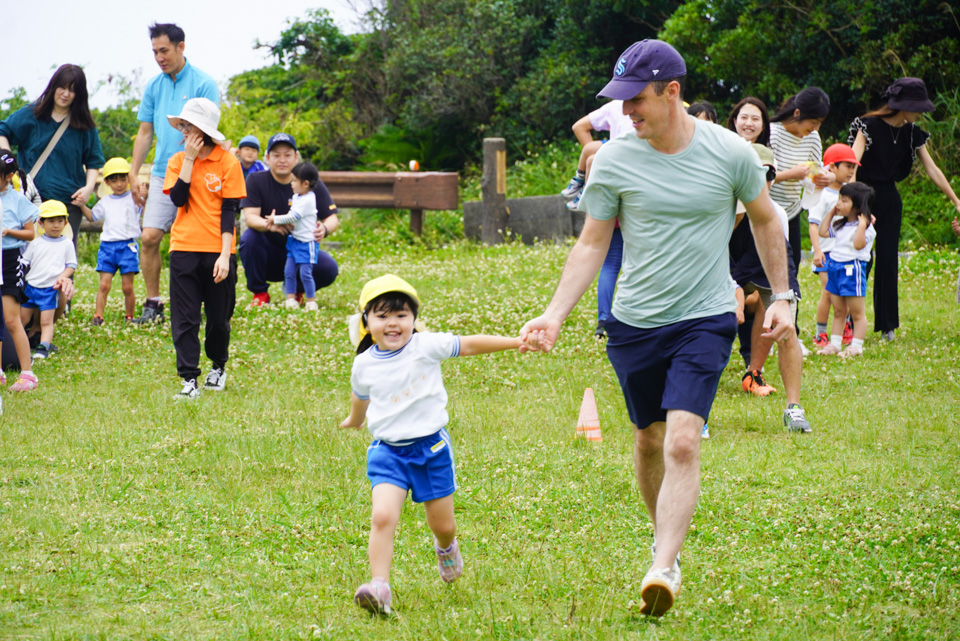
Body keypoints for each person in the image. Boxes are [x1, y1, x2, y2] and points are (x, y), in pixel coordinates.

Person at [519, 40, 795, 618]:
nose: (626, 113)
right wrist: (554, 313)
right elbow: (593, 242)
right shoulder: (615, 159)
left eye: (635, 99)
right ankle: (661, 536)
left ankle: (664, 566)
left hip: (705, 316)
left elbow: (768, 220)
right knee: (648, 440)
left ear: (673, 92)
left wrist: (784, 297)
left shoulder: (731, 153)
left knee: (682, 440)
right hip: (635, 322)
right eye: (619, 101)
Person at [341, 275, 522, 616]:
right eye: (382, 315)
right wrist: (354, 419)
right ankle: (379, 586)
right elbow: (360, 396)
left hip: (431, 450)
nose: (392, 323)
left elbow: (469, 344)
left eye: (401, 315)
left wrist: (515, 342)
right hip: (388, 452)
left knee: (442, 524)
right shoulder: (363, 363)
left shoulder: (425, 346)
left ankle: (446, 547)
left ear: (413, 319)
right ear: (367, 321)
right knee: (382, 516)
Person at [848, 77, 960, 341]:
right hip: (863, 196)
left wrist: (956, 200)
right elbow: (852, 165)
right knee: (860, 259)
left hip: (889, 199)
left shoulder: (913, 134)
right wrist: (854, 204)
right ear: (902, 105)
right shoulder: (868, 125)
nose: (921, 112)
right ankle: (850, 322)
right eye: (917, 106)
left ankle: (888, 326)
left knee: (888, 260)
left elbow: (933, 169)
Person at [129, 23, 219, 325]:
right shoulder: (154, 86)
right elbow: (144, 133)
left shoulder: (204, 83)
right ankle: (153, 303)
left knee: (201, 242)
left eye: (164, 50)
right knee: (150, 236)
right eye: (154, 51)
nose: (159, 57)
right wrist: (132, 173)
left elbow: (209, 132)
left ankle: (207, 301)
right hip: (161, 172)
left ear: (181, 47)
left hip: (198, 170)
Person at [162, 98, 245, 399]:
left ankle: (218, 366)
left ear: (203, 129)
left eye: (187, 125)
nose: (183, 130)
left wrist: (225, 254)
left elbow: (229, 212)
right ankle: (189, 380)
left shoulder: (228, 162)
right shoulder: (176, 160)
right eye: (182, 125)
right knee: (185, 318)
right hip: (183, 247)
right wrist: (189, 159)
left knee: (219, 318)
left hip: (218, 249)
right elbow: (178, 200)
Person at [729, 144, 811, 434]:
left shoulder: (773, 212)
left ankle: (792, 407)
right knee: (708, 323)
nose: (759, 181)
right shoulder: (720, 207)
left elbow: (779, 261)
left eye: (767, 174)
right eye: (751, 174)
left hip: (769, 270)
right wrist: (736, 300)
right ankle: (696, 408)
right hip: (730, 271)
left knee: (785, 326)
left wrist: (783, 302)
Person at [0, 64, 104, 254]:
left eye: (72, 90)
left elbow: (94, 161)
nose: (65, 94)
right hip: (30, 202)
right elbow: (3, 131)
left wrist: (88, 188)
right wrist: (9, 163)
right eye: (62, 87)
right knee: (28, 262)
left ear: (79, 94)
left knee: (62, 262)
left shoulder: (84, 124)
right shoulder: (32, 114)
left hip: (67, 204)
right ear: (53, 87)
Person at [240, 133, 338, 306]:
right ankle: (260, 293)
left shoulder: (310, 183)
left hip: (301, 250)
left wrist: (325, 228)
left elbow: (332, 218)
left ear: (296, 158)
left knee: (329, 268)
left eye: (287, 155)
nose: (282, 160)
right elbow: (250, 217)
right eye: (276, 155)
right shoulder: (256, 180)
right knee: (249, 239)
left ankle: (297, 289)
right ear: (268, 158)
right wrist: (269, 225)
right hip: (268, 252)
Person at [768, 87, 832, 273]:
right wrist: (791, 174)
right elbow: (759, 177)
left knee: (791, 267)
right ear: (797, 113)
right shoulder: (772, 134)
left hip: (792, 212)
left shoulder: (812, 138)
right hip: (766, 210)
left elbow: (814, 174)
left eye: (819, 123)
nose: (815, 128)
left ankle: (791, 303)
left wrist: (823, 179)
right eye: (813, 122)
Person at [807, 144, 860, 348]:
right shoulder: (820, 194)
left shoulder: (849, 194)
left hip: (844, 253)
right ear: (832, 167)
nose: (851, 171)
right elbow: (814, 225)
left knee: (844, 292)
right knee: (829, 292)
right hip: (826, 252)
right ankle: (821, 333)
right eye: (847, 166)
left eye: (853, 167)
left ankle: (846, 326)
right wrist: (817, 251)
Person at [816, 183, 877, 358]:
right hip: (835, 268)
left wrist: (862, 224)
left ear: (857, 206)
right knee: (839, 311)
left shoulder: (866, 228)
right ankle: (835, 344)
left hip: (852, 270)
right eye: (839, 199)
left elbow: (858, 245)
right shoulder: (840, 224)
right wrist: (831, 213)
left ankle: (856, 346)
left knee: (857, 313)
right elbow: (823, 231)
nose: (839, 203)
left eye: (844, 200)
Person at [80, 157, 142, 324]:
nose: (120, 184)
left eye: (123, 179)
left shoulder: (134, 198)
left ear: (129, 179)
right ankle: (98, 316)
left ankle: (130, 316)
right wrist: (81, 205)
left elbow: (143, 203)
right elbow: (92, 216)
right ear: (107, 182)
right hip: (107, 247)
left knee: (127, 286)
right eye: (114, 180)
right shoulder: (105, 202)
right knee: (104, 285)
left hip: (127, 246)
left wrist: (141, 192)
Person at [0, 151, 39, 390]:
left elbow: (31, 233)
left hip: (9, 260)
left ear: (9, 176)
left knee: (11, 319)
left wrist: (8, 232)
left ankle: (27, 373)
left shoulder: (18, 200)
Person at [20, 201, 77, 360]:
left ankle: (42, 347)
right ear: (41, 223)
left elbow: (71, 265)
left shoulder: (66, 244)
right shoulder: (36, 243)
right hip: (31, 287)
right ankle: (18, 343)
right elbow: (25, 261)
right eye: (51, 221)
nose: (56, 225)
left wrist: (63, 276)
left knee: (46, 321)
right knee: (21, 319)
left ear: (65, 223)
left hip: (50, 289)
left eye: (60, 221)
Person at [264, 161, 322, 311]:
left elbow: (293, 216)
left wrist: (274, 219)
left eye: (295, 180)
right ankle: (290, 299)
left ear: (306, 183)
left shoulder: (308, 198)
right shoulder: (297, 196)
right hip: (294, 240)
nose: (291, 183)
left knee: (305, 273)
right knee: (288, 271)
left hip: (306, 242)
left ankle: (311, 301)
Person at [560, 100, 634, 211]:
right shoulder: (616, 106)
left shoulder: (616, 105)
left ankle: (581, 182)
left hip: (627, 151)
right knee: (591, 160)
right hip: (620, 152)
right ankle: (584, 190)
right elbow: (578, 127)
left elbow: (579, 127)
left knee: (590, 152)